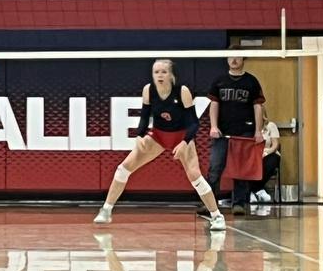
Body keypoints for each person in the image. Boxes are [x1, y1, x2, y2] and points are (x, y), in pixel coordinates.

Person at [93, 59, 226, 229]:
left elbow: (193, 123)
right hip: (158, 136)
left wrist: (185, 143)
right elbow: (144, 116)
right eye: (156, 72)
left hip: (181, 137)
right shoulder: (149, 90)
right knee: (123, 168)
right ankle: (106, 210)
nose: (159, 75)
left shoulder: (182, 91)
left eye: (163, 72)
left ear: (171, 75)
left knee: (195, 177)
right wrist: (140, 135)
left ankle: (217, 216)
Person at [203, 54, 266, 213]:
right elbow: (214, 104)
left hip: (244, 131)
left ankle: (239, 203)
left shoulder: (251, 81)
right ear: (226, 59)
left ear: (243, 60)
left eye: (238, 57)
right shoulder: (219, 80)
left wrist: (258, 131)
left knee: (241, 169)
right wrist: (213, 126)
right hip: (222, 132)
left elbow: (258, 107)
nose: (234, 60)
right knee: (215, 167)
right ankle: (210, 204)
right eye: (231, 57)